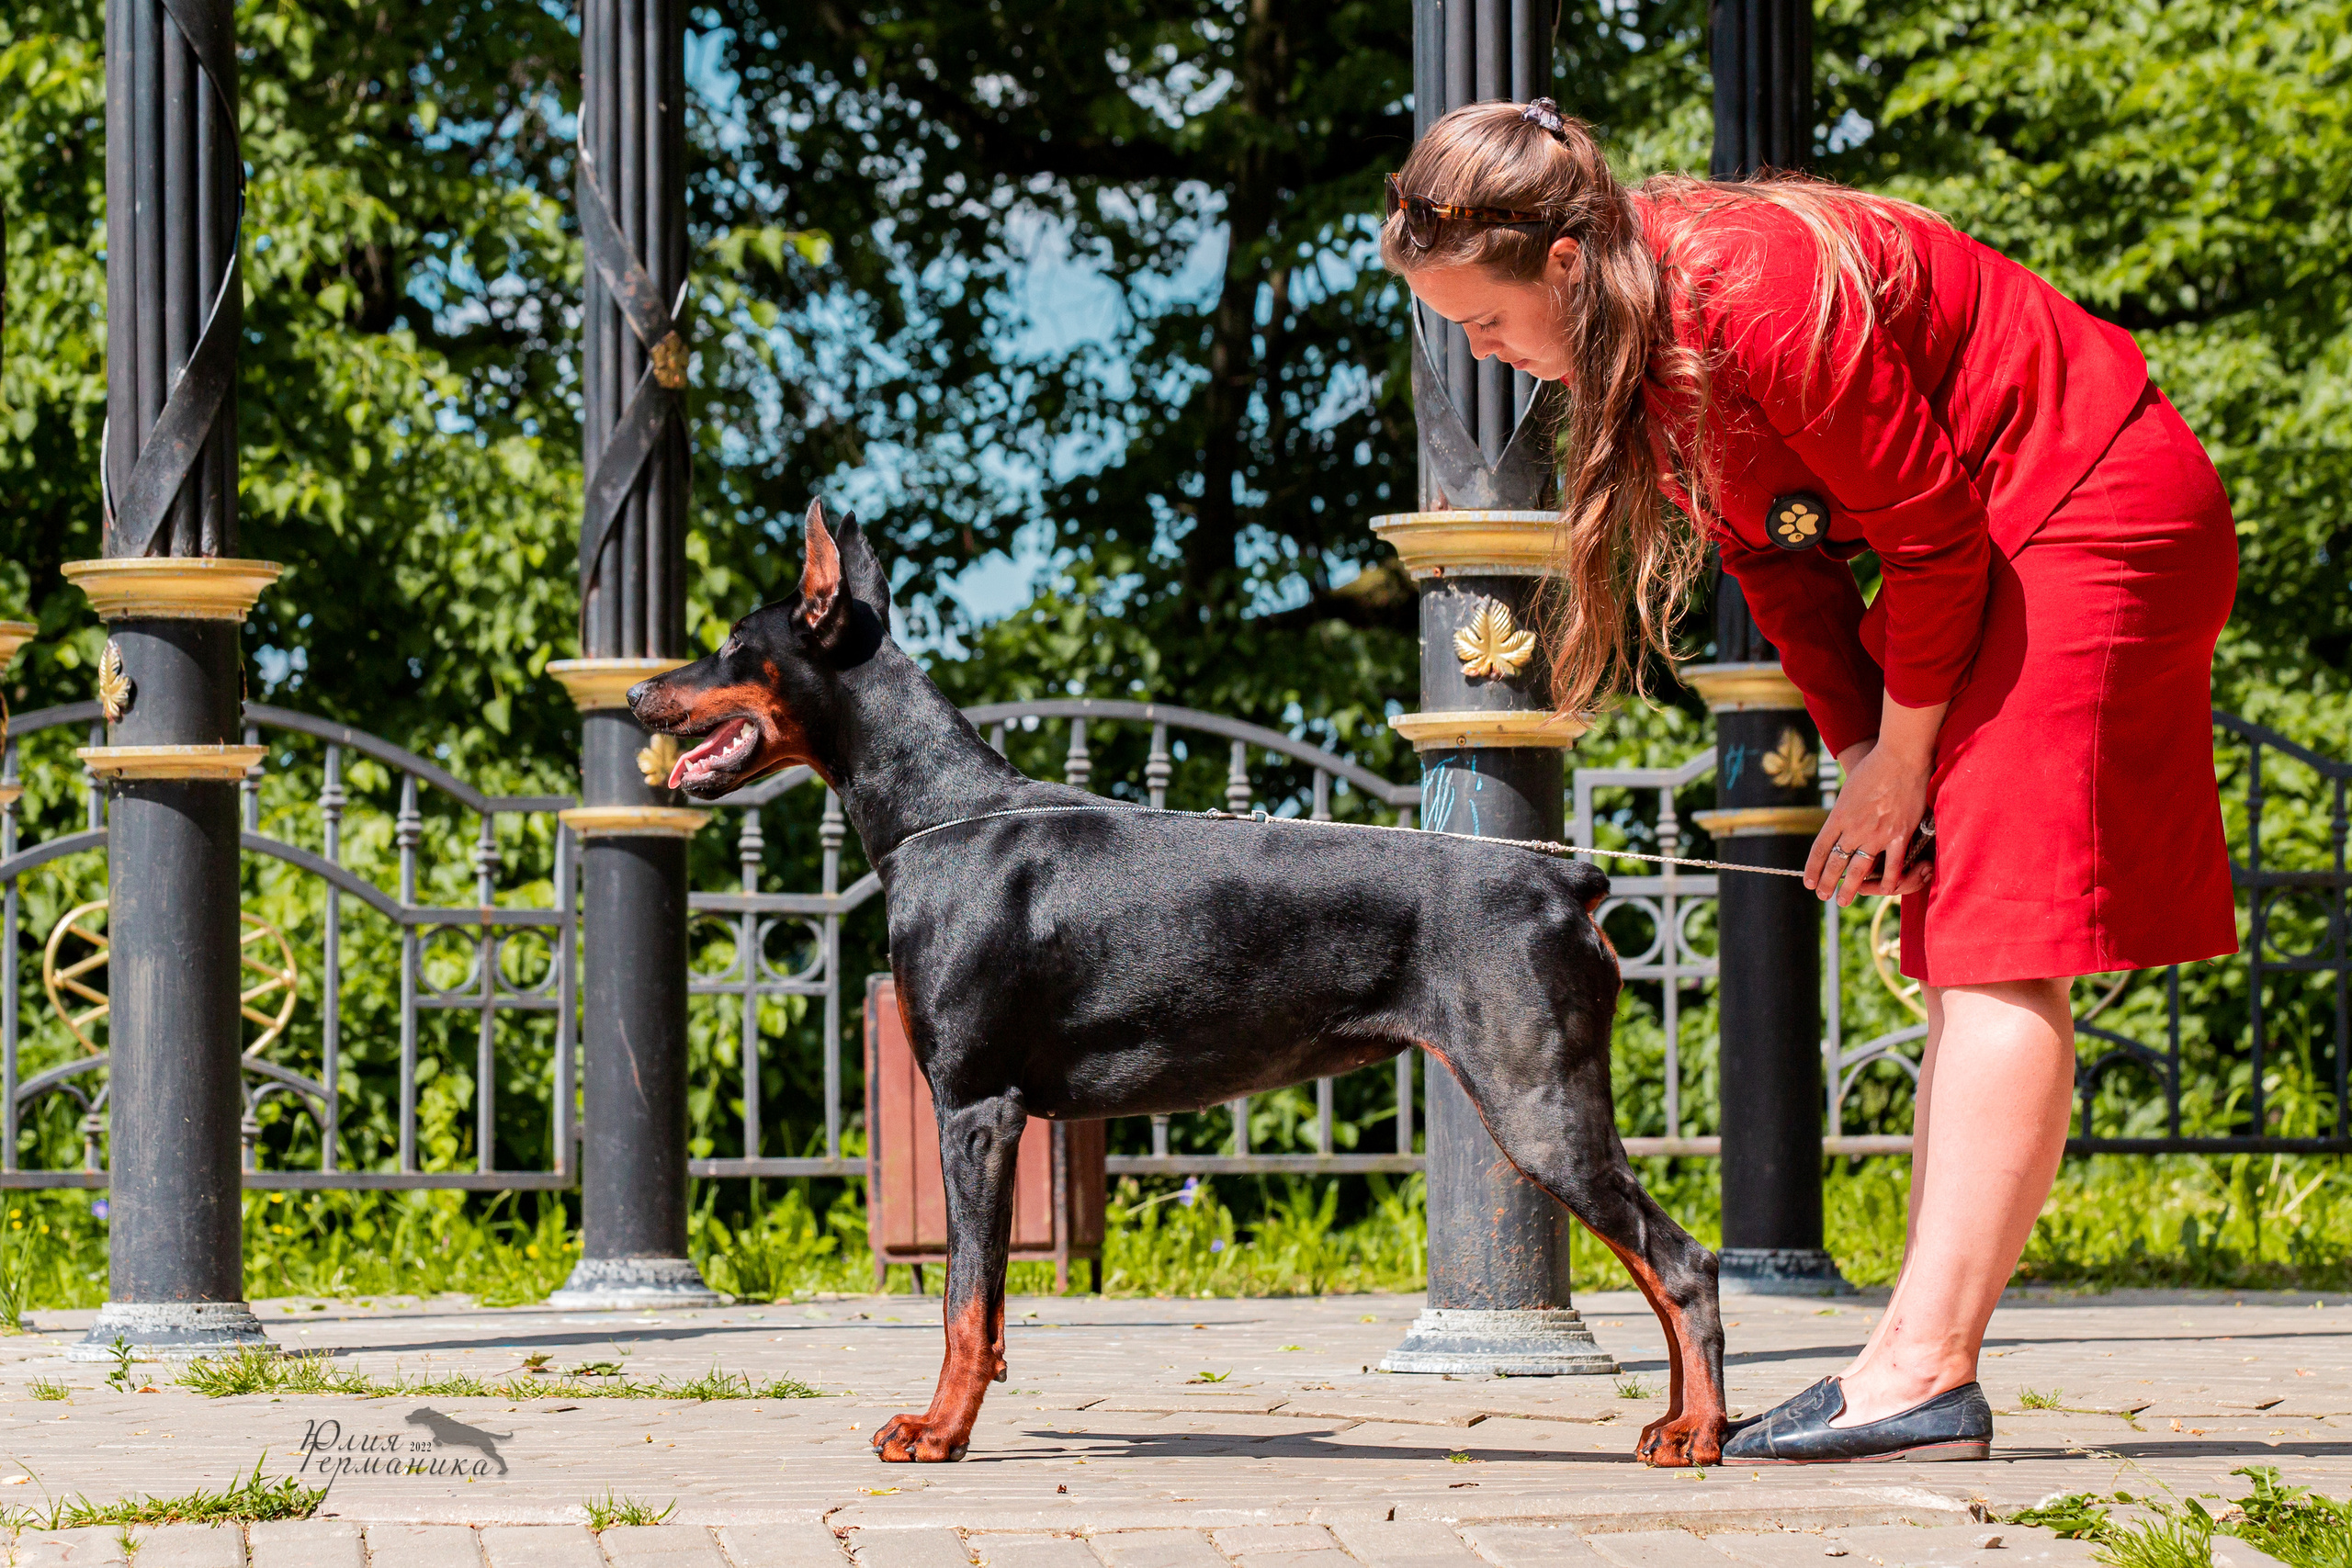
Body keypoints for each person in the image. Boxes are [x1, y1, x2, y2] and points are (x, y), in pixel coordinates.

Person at [1380, 97, 2239, 1464]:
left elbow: (1936, 540)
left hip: (2083, 506)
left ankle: (1924, 1371)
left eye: (1483, 323)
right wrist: (1859, 761)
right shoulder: (1637, 338)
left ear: (1557, 265)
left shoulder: (1753, 296)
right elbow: (1783, 566)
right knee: (1957, 930)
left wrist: (1903, 763)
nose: (1486, 356)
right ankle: (1913, 1357)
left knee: (1997, 943)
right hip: (1991, 538)